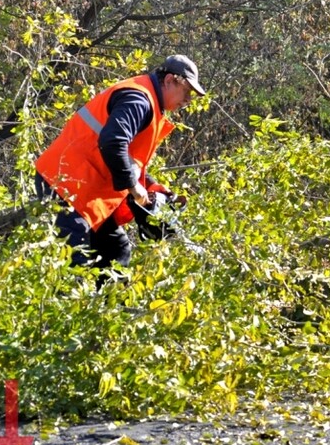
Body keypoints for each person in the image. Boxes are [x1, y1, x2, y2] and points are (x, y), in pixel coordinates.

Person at [34, 54, 204, 281]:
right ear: (170, 80)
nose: (188, 100)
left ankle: (110, 313)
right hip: (65, 186)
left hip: (85, 190)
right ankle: (74, 310)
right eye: (188, 91)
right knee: (73, 268)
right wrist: (135, 188)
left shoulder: (148, 101)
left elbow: (129, 158)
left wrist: (151, 187)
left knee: (117, 251)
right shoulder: (139, 99)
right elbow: (113, 142)